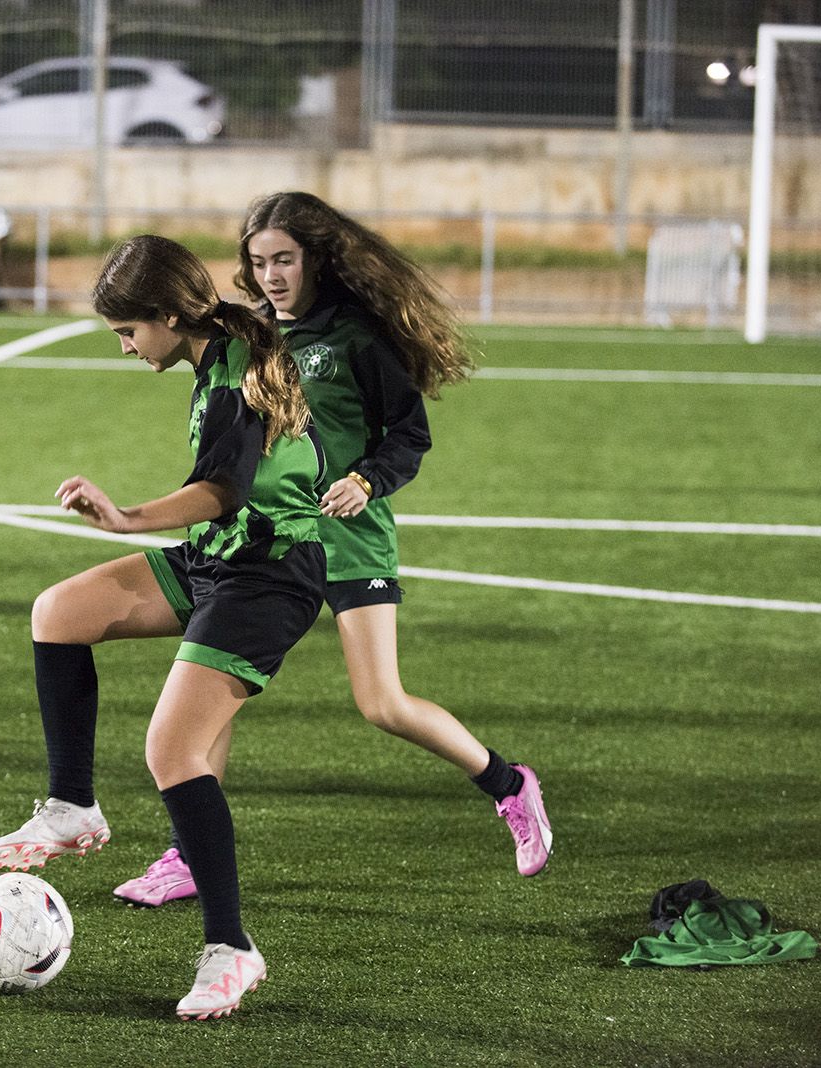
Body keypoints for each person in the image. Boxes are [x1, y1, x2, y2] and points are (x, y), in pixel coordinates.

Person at [112, 191, 553, 910]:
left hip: (348, 533)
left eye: (284, 258)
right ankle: (186, 854)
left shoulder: (356, 338)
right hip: (265, 542)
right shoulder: (251, 334)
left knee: (381, 702)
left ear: (317, 256)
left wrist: (365, 480)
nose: (272, 274)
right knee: (208, 705)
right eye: (258, 262)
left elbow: (408, 436)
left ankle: (509, 785)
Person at [0, 234, 326, 1020]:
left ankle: (230, 949)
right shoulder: (220, 348)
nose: (126, 348)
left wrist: (124, 518)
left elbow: (223, 490)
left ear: (170, 313)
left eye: (128, 333)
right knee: (59, 613)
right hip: (222, 557)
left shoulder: (237, 366)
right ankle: (72, 805)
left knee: (172, 751)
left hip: (269, 575)